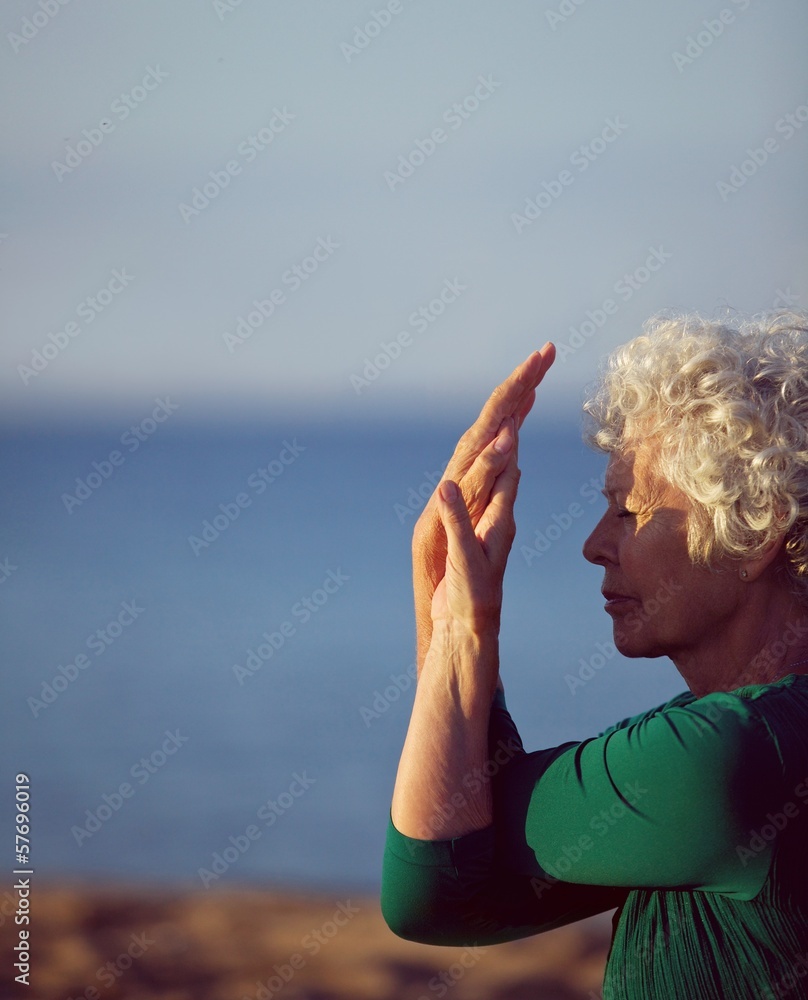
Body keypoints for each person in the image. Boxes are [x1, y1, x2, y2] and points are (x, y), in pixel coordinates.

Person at [381, 311, 808, 999]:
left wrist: (459, 624)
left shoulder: (734, 758)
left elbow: (432, 879)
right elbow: (458, 890)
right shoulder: (752, 735)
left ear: (755, 532)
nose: (593, 545)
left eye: (629, 511)